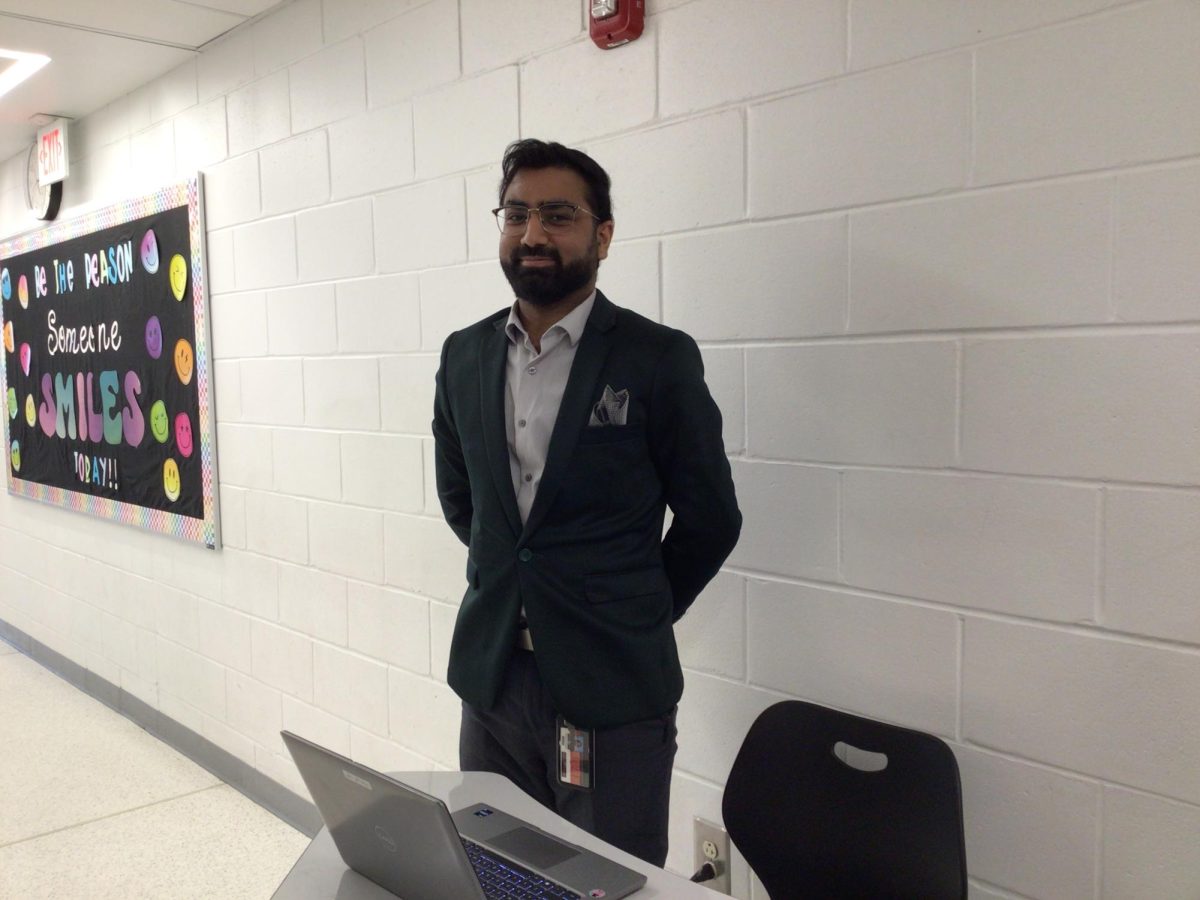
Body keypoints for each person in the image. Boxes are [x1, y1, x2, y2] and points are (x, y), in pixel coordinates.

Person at [432, 138, 741, 867]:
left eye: (558, 215)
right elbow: (464, 502)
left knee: (606, 880)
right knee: (496, 866)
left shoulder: (655, 358)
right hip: (494, 679)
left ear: (602, 234)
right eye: (516, 214)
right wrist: (520, 583)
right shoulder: (463, 354)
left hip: (612, 688)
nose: (532, 234)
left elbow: (711, 518)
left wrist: (633, 608)